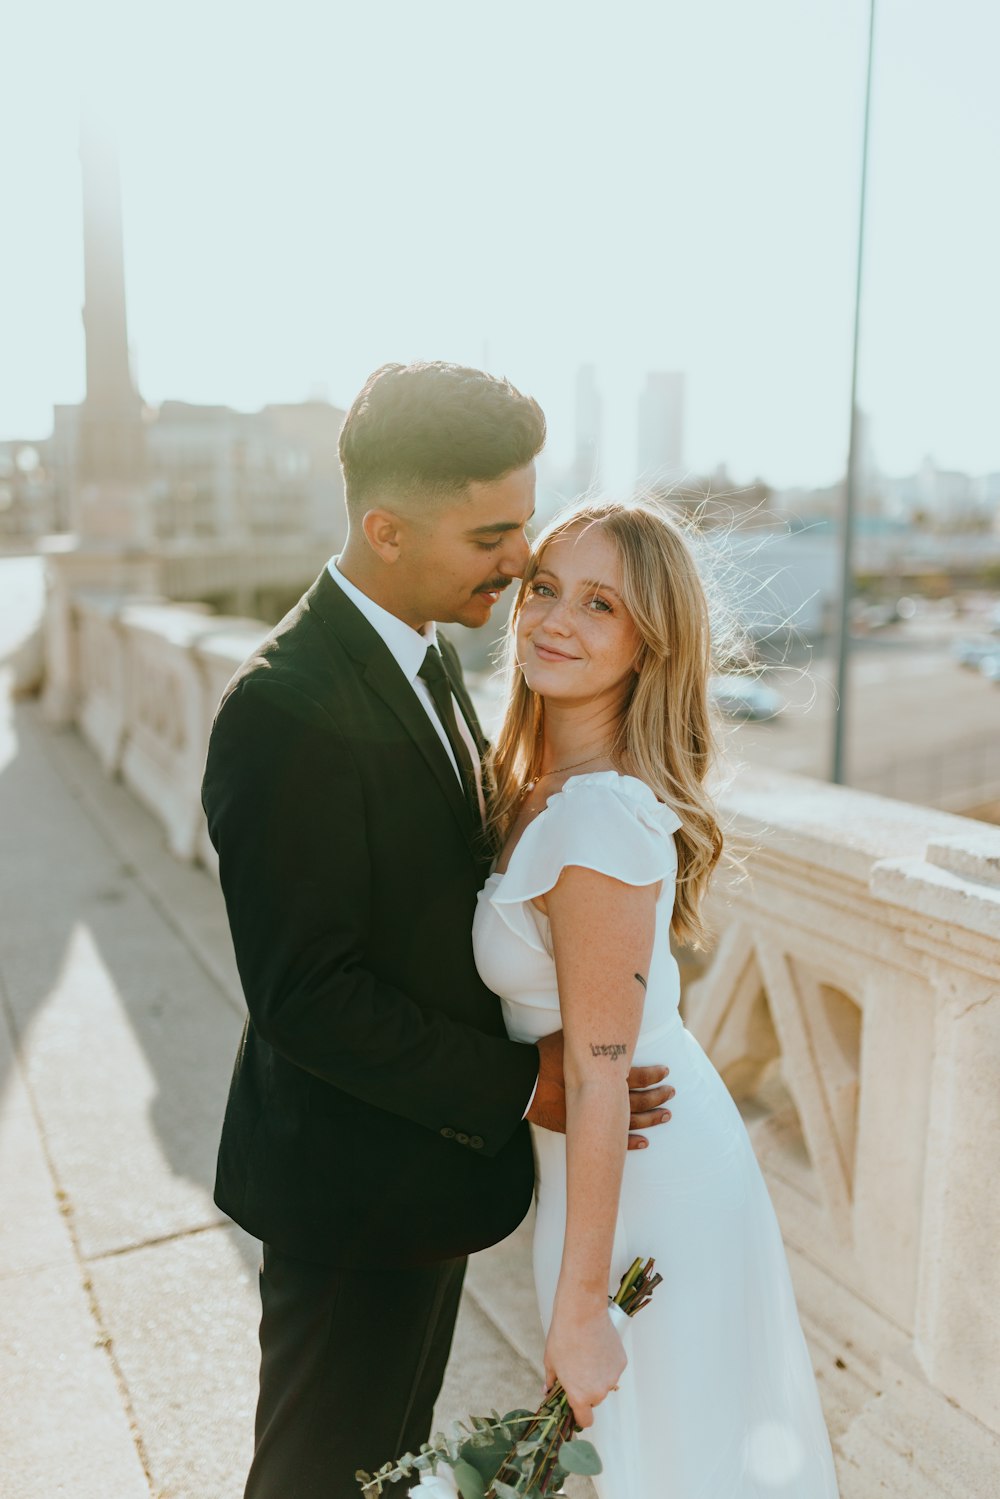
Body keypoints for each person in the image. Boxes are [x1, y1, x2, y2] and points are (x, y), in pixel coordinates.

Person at [200, 363, 677, 1499]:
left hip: (418, 1168)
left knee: (381, 1468)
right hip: (348, 1188)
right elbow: (306, 992)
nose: (519, 561)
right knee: (318, 1475)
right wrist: (525, 1083)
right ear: (386, 527)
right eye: (492, 535)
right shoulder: (282, 706)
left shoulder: (424, 651)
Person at [472, 498, 841, 1496]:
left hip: (649, 1185)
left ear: (649, 647)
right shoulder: (538, 784)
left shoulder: (597, 814)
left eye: (600, 605)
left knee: (684, 1462)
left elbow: (600, 1080)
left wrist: (581, 1303)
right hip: (606, 1172)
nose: (555, 619)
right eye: (545, 587)